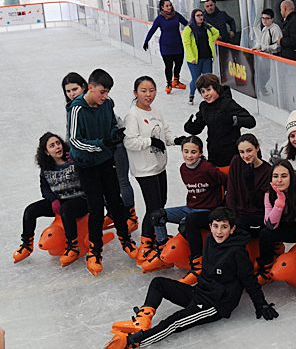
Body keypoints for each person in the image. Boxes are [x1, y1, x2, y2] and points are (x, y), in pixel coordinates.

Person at [104, 207, 279, 349]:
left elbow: (249, 280)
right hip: (199, 292)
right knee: (159, 283)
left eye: (224, 227)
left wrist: (261, 304)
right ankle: (142, 320)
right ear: (210, 226)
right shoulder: (211, 241)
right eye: (216, 226)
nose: (219, 231)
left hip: (215, 304)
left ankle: (135, 342)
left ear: (232, 229)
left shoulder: (237, 252)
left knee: (174, 321)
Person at [67, 69, 138, 276]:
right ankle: (95, 251)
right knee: (96, 207)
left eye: (107, 92)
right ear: (90, 87)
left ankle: (126, 239)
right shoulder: (76, 109)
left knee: (116, 202)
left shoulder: (107, 104)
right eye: (102, 92)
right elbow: (74, 141)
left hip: (105, 161)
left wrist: (114, 135)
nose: (105, 96)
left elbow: (110, 127)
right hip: (87, 165)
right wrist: (101, 144)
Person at [151, 135, 227, 285]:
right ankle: (163, 250)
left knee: (187, 224)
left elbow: (226, 182)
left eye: (193, 152)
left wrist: (223, 206)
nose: (189, 155)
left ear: (200, 153)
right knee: (157, 216)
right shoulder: (183, 169)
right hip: (190, 208)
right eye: (186, 151)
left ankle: (197, 263)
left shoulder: (207, 168)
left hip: (207, 211)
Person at [123, 76, 178, 273]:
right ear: (135, 92)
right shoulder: (132, 115)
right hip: (144, 169)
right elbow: (129, 141)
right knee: (153, 207)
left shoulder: (155, 111)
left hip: (159, 166)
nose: (148, 94)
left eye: (152, 90)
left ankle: (158, 237)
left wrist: (175, 139)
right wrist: (150, 142)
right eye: (144, 90)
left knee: (160, 204)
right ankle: (147, 244)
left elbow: (164, 132)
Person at [12, 133, 87, 266]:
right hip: (60, 200)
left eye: (58, 143)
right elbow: (45, 189)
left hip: (81, 200)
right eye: (52, 146)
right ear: (46, 152)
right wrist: (53, 200)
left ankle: (73, 246)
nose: (57, 147)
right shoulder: (46, 168)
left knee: (66, 210)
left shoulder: (73, 159)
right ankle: (27, 245)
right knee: (30, 210)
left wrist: (77, 161)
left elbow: (89, 175)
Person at [183, 73, 255, 168]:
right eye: (203, 91)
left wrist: (234, 120)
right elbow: (198, 126)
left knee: (229, 180)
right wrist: (190, 127)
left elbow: (251, 121)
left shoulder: (227, 103)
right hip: (214, 152)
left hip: (231, 153)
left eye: (209, 90)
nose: (206, 94)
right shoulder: (204, 106)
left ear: (216, 88)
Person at [224, 134, 271, 254]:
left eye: (249, 150)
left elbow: (260, 204)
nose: (245, 155)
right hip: (238, 212)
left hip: (256, 214)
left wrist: (250, 185)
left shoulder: (267, 170)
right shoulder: (236, 162)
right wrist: (231, 217)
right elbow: (231, 191)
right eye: (242, 152)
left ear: (257, 148)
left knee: (239, 229)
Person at [143, 0, 189, 94]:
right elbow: (152, 30)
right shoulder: (160, 18)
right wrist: (146, 41)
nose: (169, 7)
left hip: (177, 44)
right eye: (167, 6)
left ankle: (176, 80)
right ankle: (169, 83)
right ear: (162, 7)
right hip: (166, 46)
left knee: (179, 63)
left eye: (170, 5)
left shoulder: (176, 15)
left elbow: (187, 24)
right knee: (169, 66)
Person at [182, 8, 220, 105]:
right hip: (195, 60)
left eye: (201, 15)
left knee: (209, 79)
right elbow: (187, 44)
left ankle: (210, 97)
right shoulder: (188, 29)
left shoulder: (206, 27)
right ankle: (191, 95)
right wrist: (192, 57)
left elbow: (216, 32)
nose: (201, 17)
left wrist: (211, 39)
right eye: (198, 15)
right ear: (193, 17)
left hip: (207, 57)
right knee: (196, 79)